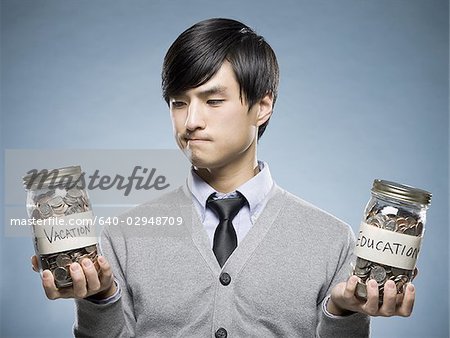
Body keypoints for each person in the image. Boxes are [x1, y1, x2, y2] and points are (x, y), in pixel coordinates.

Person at [32, 18, 416, 337]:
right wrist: (99, 299)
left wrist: (342, 314)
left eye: (213, 101)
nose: (191, 121)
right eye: (178, 103)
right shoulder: (125, 235)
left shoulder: (332, 240)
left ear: (262, 105)